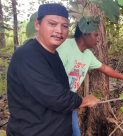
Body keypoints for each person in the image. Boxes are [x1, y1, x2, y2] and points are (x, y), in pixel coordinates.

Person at [6, 3, 99, 136]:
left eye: (65, 26)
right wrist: (83, 100)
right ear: (38, 25)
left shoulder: (52, 54)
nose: (59, 31)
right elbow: (56, 97)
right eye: (52, 24)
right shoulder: (27, 55)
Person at [57, 24, 123, 136]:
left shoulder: (88, 55)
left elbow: (104, 68)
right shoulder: (65, 47)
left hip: (69, 103)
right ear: (84, 33)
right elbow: (50, 78)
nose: (99, 39)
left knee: (75, 133)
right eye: (96, 35)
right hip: (55, 101)